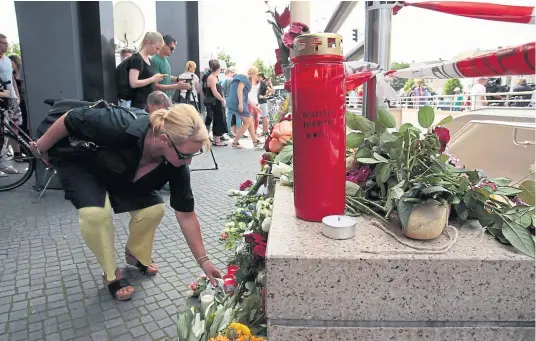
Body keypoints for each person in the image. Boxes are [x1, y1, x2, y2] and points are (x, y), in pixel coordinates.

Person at [29, 103, 221, 301]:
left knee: (154, 209)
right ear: (164, 140)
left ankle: (136, 254)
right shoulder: (121, 123)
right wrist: (40, 147)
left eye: (193, 155)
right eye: (185, 155)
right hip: (83, 164)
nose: (188, 162)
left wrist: (204, 261)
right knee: (95, 214)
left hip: (122, 173)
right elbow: (71, 118)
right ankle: (111, 274)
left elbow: (186, 214)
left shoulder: (176, 164)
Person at [128, 32, 166, 109]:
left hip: (148, 103)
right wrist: (153, 79)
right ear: (149, 43)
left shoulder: (148, 60)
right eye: (157, 48)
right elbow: (133, 83)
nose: (157, 52)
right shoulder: (137, 59)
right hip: (139, 104)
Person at [227, 66, 261, 149]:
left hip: (236, 101)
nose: (257, 76)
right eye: (256, 74)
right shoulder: (244, 78)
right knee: (247, 122)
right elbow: (239, 89)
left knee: (249, 120)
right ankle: (235, 142)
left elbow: (246, 96)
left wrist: (254, 107)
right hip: (237, 102)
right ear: (254, 74)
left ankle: (255, 141)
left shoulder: (244, 78)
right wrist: (241, 104)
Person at [151, 35, 191, 101]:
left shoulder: (166, 58)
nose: (173, 51)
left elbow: (165, 75)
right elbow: (156, 85)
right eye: (171, 48)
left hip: (167, 97)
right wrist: (177, 86)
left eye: (174, 49)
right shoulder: (155, 60)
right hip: (159, 99)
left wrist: (178, 79)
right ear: (163, 44)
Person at [202, 60, 227, 146]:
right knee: (218, 118)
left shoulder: (213, 77)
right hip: (216, 102)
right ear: (218, 68)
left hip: (217, 101)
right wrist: (222, 99)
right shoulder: (212, 78)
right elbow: (215, 92)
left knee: (218, 118)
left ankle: (217, 138)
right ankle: (217, 140)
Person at [220, 69, 240, 136]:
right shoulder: (234, 80)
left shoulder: (224, 80)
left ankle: (229, 132)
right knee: (238, 116)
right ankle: (239, 132)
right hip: (235, 99)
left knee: (228, 116)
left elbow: (221, 89)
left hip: (227, 98)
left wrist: (223, 98)